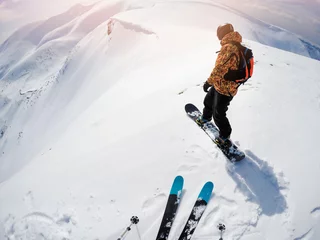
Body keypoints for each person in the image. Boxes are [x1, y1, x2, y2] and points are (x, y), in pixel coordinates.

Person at [196, 23, 243, 147]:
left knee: (219, 114)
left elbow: (219, 69)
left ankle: (225, 136)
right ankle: (206, 117)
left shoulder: (229, 47)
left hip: (226, 89)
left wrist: (208, 82)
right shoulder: (234, 45)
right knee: (208, 101)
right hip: (220, 84)